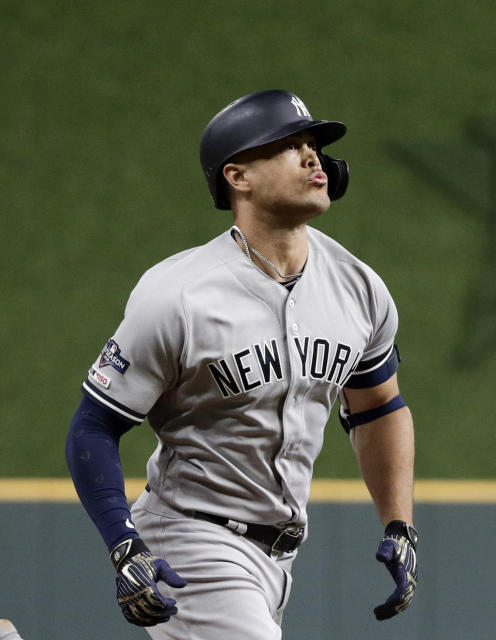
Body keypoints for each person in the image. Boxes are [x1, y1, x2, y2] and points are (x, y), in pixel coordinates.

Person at [65, 89, 418, 638]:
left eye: (313, 145)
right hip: (192, 541)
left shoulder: (359, 287)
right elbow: (94, 424)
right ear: (238, 176)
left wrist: (400, 523)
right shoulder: (178, 294)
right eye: (287, 146)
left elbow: (378, 407)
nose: (311, 157)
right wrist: (123, 544)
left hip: (280, 560)